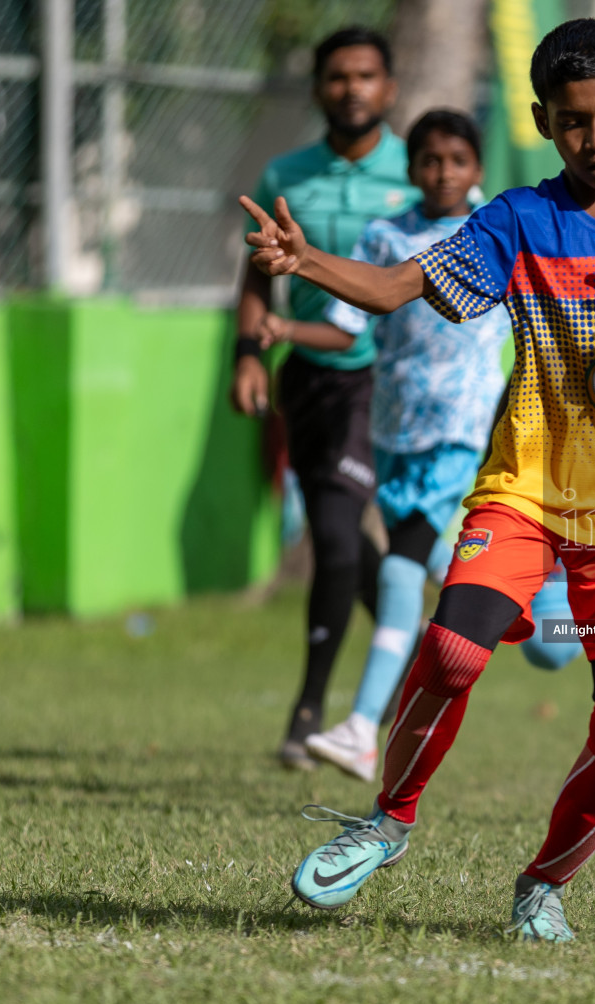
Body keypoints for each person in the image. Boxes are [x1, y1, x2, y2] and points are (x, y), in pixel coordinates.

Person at [241, 19, 595, 944]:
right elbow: (392, 290)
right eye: (574, 122)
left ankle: (543, 884)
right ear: (543, 121)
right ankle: (388, 819)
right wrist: (303, 263)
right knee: (456, 650)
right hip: (524, 491)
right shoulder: (514, 221)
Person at [230, 27, 418, 770]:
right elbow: (257, 274)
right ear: (317, 90)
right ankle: (408, 664)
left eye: (366, 75)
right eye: (337, 77)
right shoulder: (288, 173)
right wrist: (248, 352)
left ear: (389, 88)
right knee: (345, 541)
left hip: (385, 380)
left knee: (338, 541)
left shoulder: (424, 169)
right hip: (309, 374)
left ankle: (311, 711)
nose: (352, 89)